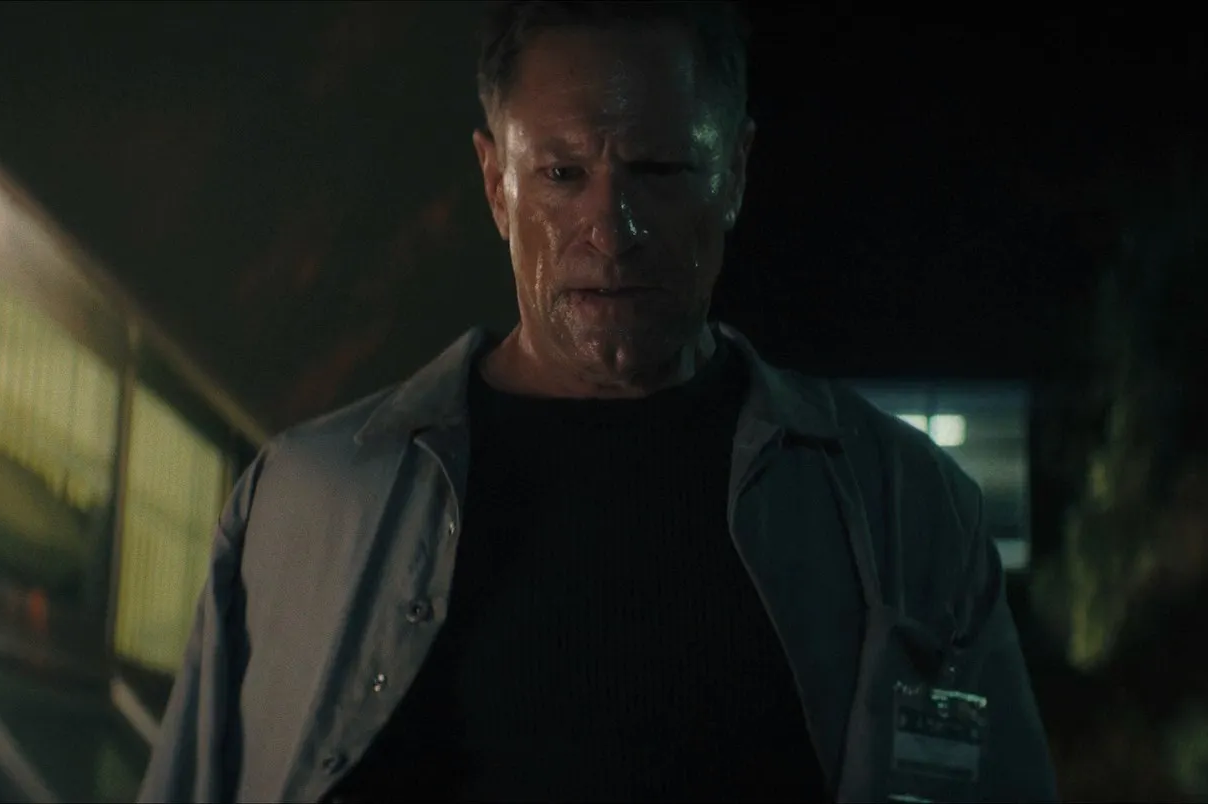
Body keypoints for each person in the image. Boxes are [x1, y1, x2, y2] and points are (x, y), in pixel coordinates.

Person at [138, 2, 1057, 801]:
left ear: (735, 173)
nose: (611, 233)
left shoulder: (908, 511)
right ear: (496, 184)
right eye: (562, 174)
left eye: (659, 170)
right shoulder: (300, 503)